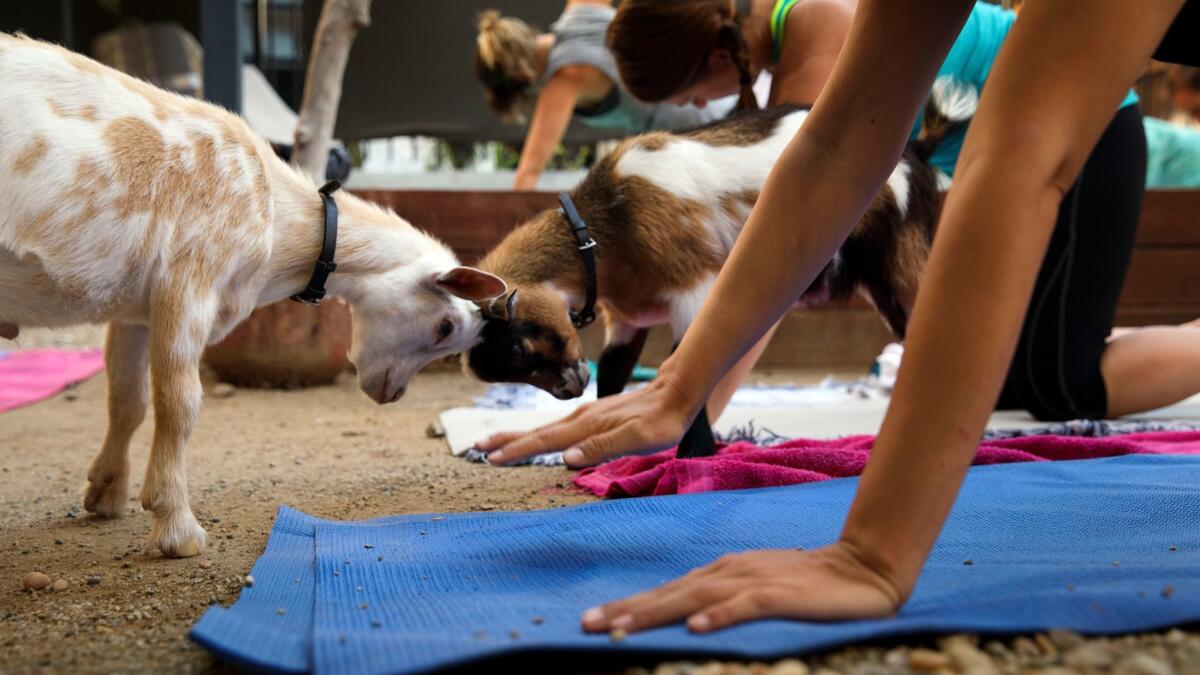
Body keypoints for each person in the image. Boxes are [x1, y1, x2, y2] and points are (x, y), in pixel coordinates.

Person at [477, 0, 1200, 634]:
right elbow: (832, 151)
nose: (700, 110)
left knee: (1059, 384)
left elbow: (1018, 153)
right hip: (989, 142)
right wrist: (678, 386)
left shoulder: (813, 23)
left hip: (1096, 131)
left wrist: (874, 553)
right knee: (1006, 378)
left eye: (694, 91)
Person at [473, 1, 734, 190]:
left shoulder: (564, 81)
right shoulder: (581, 6)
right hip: (719, 77)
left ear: (521, 79)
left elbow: (527, 175)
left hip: (702, 126)